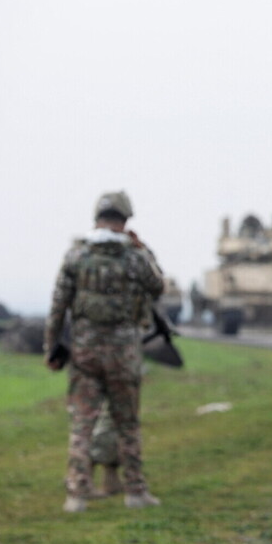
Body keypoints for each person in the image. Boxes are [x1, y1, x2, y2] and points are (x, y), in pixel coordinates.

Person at [44, 191, 165, 513]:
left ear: (97, 217)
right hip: (124, 355)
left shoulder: (76, 255)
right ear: (125, 220)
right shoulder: (134, 257)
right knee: (127, 425)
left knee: (82, 424)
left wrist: (51, 348)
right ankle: (135, 492)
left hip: (85, 354)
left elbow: (57, 308)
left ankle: (76, 495)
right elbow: (158, 286)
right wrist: (143, 249)